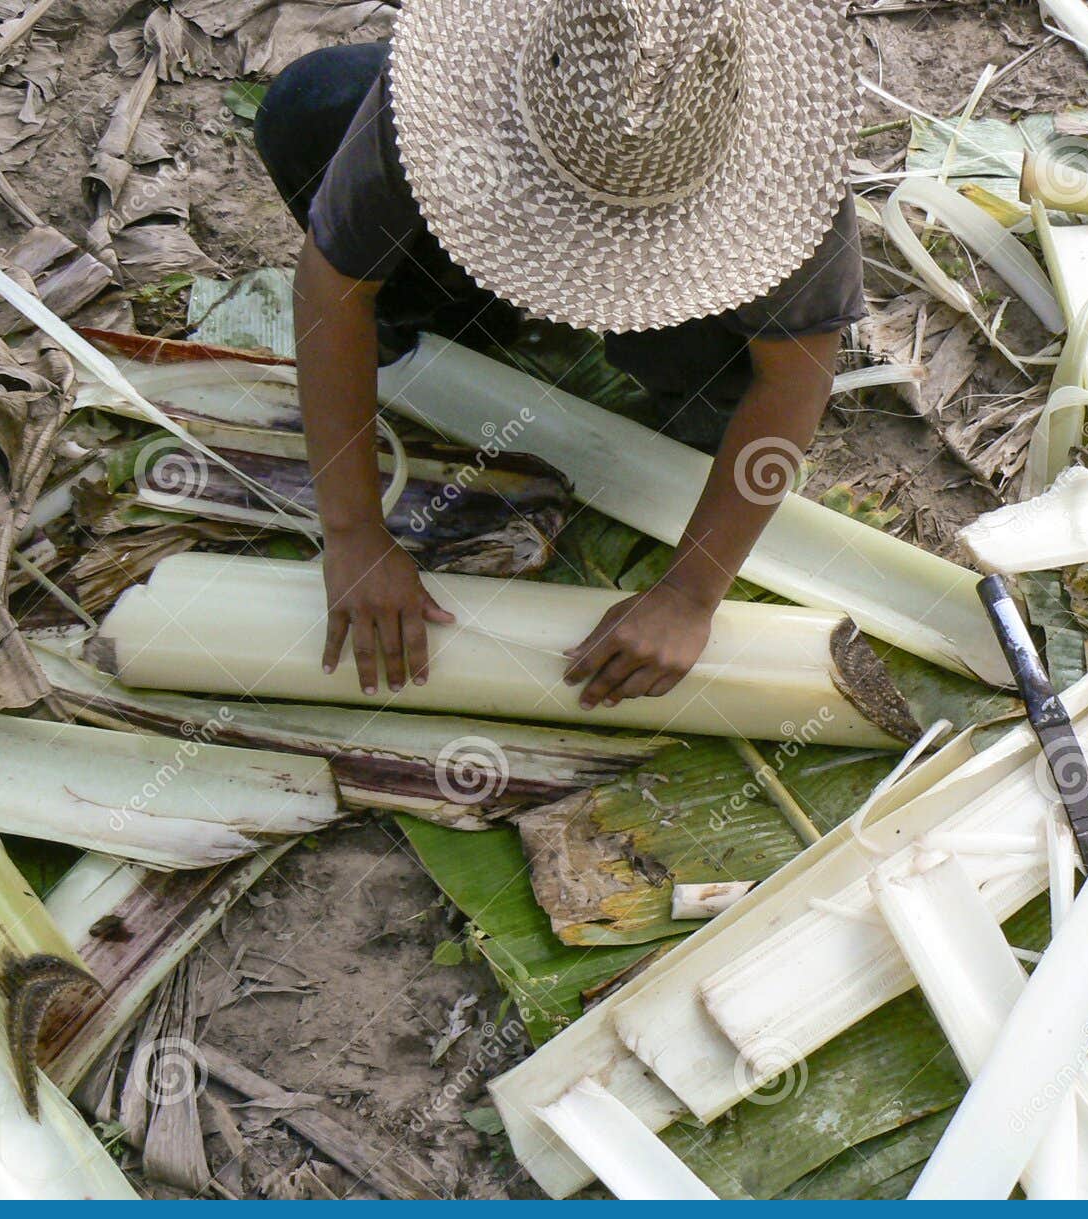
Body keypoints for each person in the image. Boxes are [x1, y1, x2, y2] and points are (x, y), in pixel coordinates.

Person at [254, 0, 862, 710]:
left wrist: (691, 594)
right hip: (498, 144)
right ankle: (455, 308)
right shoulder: (443, 108)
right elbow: (333, 287)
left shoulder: (780, 186)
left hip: (688, 291)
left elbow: (796, 375)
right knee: (307, 108)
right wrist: (353, 533)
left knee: (719, 385)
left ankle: (690, 399)